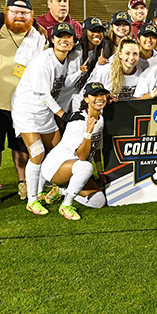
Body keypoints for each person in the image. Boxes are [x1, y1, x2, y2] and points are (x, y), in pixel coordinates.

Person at [0, 0, 47, 202]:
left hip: (24, 104)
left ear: (32, 16)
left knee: (20, 146)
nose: (19, 16)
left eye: (25, 13)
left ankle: (23, 183)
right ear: (6, 12)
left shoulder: (39, 38)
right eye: (15, 12)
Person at [12, 23, 82, 215]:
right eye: (60, 36)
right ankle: (32, 199)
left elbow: (63, 84)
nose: (64, 40)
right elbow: (44, 94)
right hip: (26, 111)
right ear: (52, 39)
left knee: (60, 149)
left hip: (43, 112)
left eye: (68, 37)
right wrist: (63, 114)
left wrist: (80, 72)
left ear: (74, 41)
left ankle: (47, 189)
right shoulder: (43, 61)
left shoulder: (65, 59)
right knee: (37, 153)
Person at [40, 82, 110, 220]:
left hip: (76, 168)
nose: (99, 98)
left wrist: (100, 171)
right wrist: (88, 132)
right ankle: (66, 205)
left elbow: (96, 148)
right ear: (86, 99)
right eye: (94, 95)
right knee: (85, 166)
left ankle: (62, 190)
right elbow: (82, 156)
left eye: (102, 94)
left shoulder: (100, 119)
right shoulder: (77, 121)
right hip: (56, 166)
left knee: (98, 201)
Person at [81, 37, 143, 102]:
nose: (131, 57)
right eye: (127, 53)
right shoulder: (105, 71)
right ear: (120, 54)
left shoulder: (141, 73)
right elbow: (86, 93)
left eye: (135, 54)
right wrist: (104, 97)